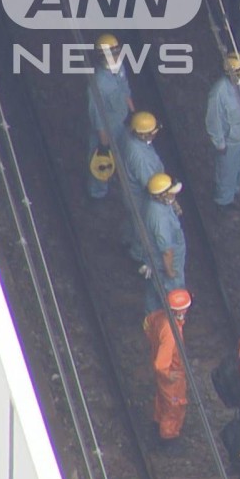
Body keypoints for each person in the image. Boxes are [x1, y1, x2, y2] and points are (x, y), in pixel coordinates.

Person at [86, 33, 135, 199]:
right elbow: (98, 118)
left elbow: (125, 90)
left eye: (116, 52)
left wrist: (133, 114)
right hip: (107, 129)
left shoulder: (120, 68)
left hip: (122, 122)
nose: (115, 56)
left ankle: (123, 183)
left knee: (125, 154)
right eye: (111, 54)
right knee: (101, 162)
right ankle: (98, 192)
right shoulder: (98, 83)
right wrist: (103, 144)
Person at [205, 52, 240, 209]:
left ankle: (235, 193)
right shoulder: (218, 92)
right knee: (226, 172)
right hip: (230, 141)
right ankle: (223, 202)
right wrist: (219, 143)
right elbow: (213, 120)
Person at [144, 289, 192, 451]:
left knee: (162, 399)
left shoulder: (159, 317)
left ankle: (157, 423)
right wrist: (169, 375)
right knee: (174, 406)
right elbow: (161, 364)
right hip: (172, 372)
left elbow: (147, 324)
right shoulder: (172, 331)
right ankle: (168, 438)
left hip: (163, 370)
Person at [119, 111, 165, 266]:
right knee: (143, 228)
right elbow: (151, 184)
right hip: (139, 196)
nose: (155, 133)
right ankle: (137, 255)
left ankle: (125, 238)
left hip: (129, 190)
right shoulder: (141, 158)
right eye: (152, 132)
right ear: (143, 135)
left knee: (131, 219)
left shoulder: (128, 135)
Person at [143, 174, 186, 314]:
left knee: (154, 289)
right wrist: (170, 271)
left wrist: (174, 205)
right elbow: (166, 251)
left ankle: (151, 315)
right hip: (166, 265)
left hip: (155, 263)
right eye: (170, 194)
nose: (173, 196)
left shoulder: (159, 204)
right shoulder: (159, 219)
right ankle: (171, 318)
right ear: (161, 196)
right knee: (172, 293)